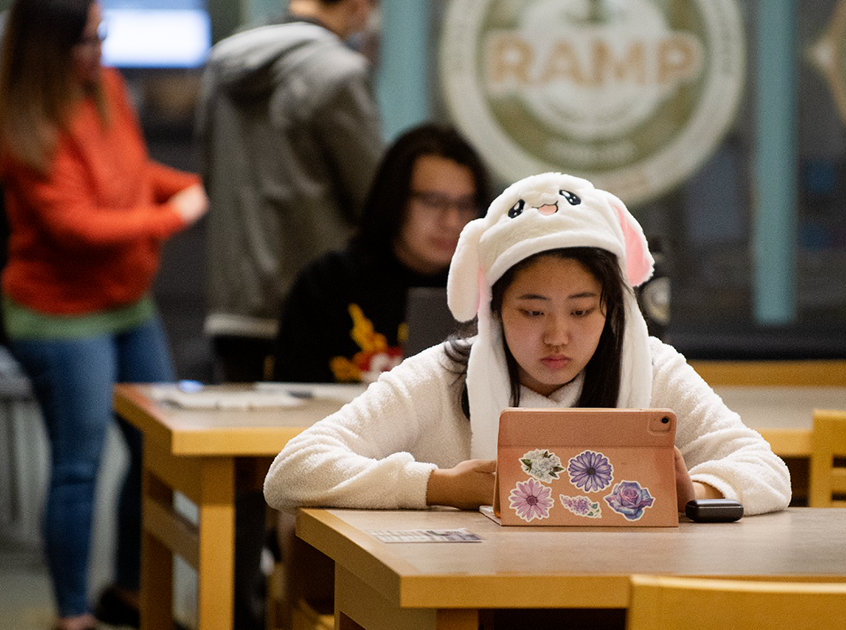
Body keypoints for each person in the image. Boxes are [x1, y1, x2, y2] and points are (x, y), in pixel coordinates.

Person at [264, 171, 791, 519]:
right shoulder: (446, 376)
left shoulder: (651, 368)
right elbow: (292, 471)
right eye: (532, 312)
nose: (557, 336)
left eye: (582, 311)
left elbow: (767, 470)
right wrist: (440, 486)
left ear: (613, 308)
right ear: (492, 312)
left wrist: (697, 494)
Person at [0, 2, 209, 630]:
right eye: (89, 40)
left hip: (125, 303)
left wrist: (183, 184)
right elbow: (78, 226)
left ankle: (131, 590)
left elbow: (130, 174)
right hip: (60, 316)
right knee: (78, 462)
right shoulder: (26, 127)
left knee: (155, 446)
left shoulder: (104, 85)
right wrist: (176, 215)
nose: (102, 50)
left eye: (102, 35)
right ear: (49, 47)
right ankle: (73, 614)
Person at [196, 0, 385, 383]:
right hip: (313, 303)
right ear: (359, 6)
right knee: (313, 438)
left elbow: (209, 171)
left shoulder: (220, 65)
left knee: (237, 435)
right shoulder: (339, 73)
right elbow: (377, 200)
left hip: (231, 304)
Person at [271, 122, 491, 383]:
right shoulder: (327, 284)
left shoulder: (487, 288)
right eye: (433, 202)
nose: (452, 221)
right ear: (395, 198)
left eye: (465, 205)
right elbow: (289, 393)